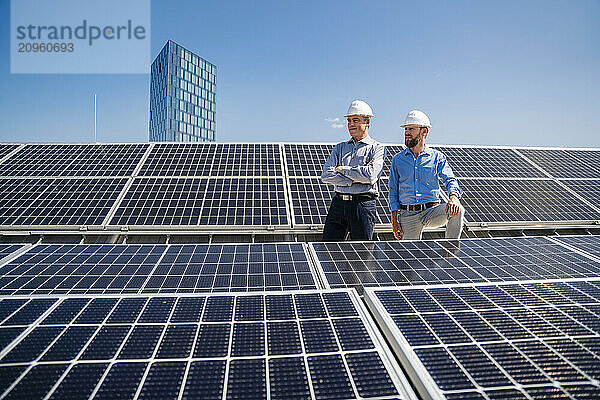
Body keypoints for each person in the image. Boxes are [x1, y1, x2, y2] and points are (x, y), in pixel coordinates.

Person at [388, 110, 464, 240]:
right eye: (406, 129)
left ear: (424, 132)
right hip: (408, 215)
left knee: (458, 210)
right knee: (409, 258)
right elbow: (393, 191)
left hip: (431, 212)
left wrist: (454, 197)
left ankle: (450, 254)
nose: (407, 132)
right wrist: (394, 222)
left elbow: (450, 179)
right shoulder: (397, 160)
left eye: (411, 129)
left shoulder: (437, 157)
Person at [321, 100, 385, 241]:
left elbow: (371, 176)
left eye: (355, 120)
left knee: (362, 253)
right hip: (338, 205)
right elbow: (326, 175)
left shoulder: (377, 148)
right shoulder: (339, 148)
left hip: (363, 205)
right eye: (349, 120)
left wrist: (343, 169)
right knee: (329, 250)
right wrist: (355, 179)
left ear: (367, 122)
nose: (351, 124)